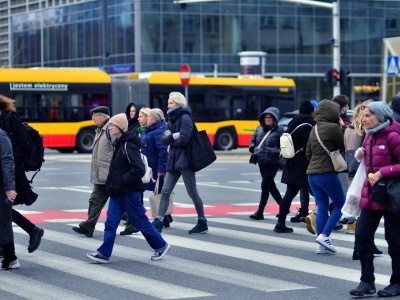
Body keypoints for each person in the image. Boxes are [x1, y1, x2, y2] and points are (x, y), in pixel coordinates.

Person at [86, 113, 170, 263]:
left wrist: (122, 181)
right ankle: (104, 253)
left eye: (112, 125)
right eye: (110, 124)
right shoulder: (119, 143)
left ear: (120, 127)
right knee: (110, 222)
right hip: (118, 192)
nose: (110, 127)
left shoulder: (127, 145)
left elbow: (138, 169)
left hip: (129, 192)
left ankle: (161, 245)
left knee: (140, 221)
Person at [349, 101, 400, 297]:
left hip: (392, 196)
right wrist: (361, 154)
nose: (364, 119)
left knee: (394, 241)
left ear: (381, 116)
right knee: (362, 237)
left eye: (368, 115)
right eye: (363, 115)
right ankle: (367, 281)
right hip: (371, 194)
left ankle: (397, 282)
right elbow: (372, 162)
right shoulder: (369, 137)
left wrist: (382, 173)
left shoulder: (393, 135)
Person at [152, 92, 208, 234]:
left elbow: (184, 139)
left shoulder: (185, 118)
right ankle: (158, 220)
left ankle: (202, 221)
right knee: (165, 192)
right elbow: (163, 139)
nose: (168, 105)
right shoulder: (171, 118)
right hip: (173, 160)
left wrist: (170, 137)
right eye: (168, 102)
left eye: (170, 103)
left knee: (192, 192)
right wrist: (172, 137)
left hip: (186, 161)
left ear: (178, 103)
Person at [0, 95, 44, 257]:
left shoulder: (11, 119)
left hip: (12, 170)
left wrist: (10, 162)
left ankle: (31, 231)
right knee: (3, 209)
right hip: (5, 169)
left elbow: (24, 145)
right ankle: (28, 234)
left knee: (3, 208)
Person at [306, 99, 345, 254]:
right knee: (340, 205)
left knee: (322, 207)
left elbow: (308, 153)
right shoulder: (333, 128)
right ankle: (325, 235)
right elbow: (343, 145)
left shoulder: (313, 129)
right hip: (327, 173)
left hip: (312, 175)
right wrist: (343, 127)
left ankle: (321, 246)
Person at [274, 101, 315, 233]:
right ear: (311, 112)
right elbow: (308, 148)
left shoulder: (293, 122)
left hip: (291, 162)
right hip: (302, 165)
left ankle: (280, 223)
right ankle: (328, 218)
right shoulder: (309, 125)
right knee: (320, 191)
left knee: (289, 194)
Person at [72, 106, 113, 237]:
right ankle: (88, 227)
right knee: (94, 200)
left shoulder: (111, 131)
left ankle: (134, 223)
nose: (93, 118)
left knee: (122, 203)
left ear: (104, 116)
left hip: (110, 175)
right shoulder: (99, 130)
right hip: (100, 174)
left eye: (95, 116)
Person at [248, 107, 284, 220]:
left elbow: (284, 146)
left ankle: (260, 211)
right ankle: (284, 207)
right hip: (261, 160)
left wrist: (274, 151)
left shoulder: (280, 130)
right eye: (266, 117)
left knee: (265, 185)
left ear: (275, 119)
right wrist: (253, 148)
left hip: (273, 161)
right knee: (271, 186)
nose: (267, 119)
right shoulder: (259, 128)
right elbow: (253, 139)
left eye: (270, 117)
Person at [0, 128, 19, 269]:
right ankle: (10, 258)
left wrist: (9, 187)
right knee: (3, 223)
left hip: (1, 187)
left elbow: (7, 160)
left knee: (3, 222)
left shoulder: (1, 135)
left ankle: (11, 258)